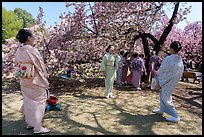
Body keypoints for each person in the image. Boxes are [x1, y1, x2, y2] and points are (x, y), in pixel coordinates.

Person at [14, 28, 50, 134]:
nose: (34, 38)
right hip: (35, 79)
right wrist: (45, 79)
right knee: (40, 101)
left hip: (24, 78)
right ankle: (38, 127)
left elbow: (17, 64)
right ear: (29, 38)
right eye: (33, 36)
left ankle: (30, 123)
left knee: (28, 101)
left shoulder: (18, 50)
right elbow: (40, 66)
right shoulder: (32, 50)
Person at [152, 41, 184, 123]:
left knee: (166, 97)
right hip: (172, 81)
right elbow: (178, 72)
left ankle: (175, 116)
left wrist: (157, 73)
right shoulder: (180, 60)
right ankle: (162, 109)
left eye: (170, 48)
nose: (169, 49)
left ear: (172, 49)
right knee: (163, 94)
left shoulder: (168, 59)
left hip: (166, 80)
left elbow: (162, 69)